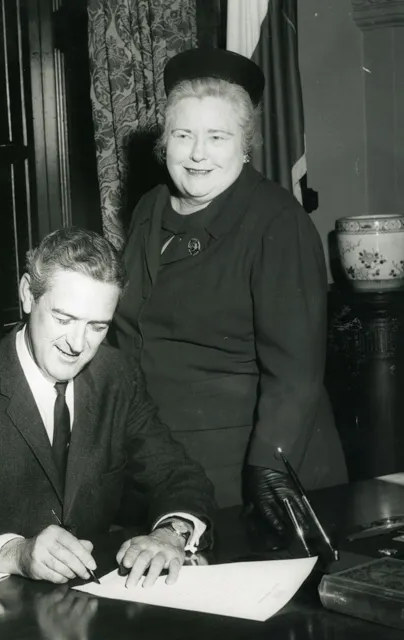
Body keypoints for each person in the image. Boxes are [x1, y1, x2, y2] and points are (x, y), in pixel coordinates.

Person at [0, 228, 216, 589]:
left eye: (97, 326)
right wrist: (14, 552)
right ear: (27, 294)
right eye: (63, 319)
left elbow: (176, 473)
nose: (77, 344)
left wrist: (170, 533)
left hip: (89, 603)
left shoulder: (117, 376)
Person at [110, 48, 347, 532]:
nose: (198, 154)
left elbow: (296, 369)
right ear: (165, 144)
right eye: (183, 135)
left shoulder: (277, 221)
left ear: (246, 145)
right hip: (159, 462)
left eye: (217, 137)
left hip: (243, 471)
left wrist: (271, 463)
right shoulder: (149, 209)